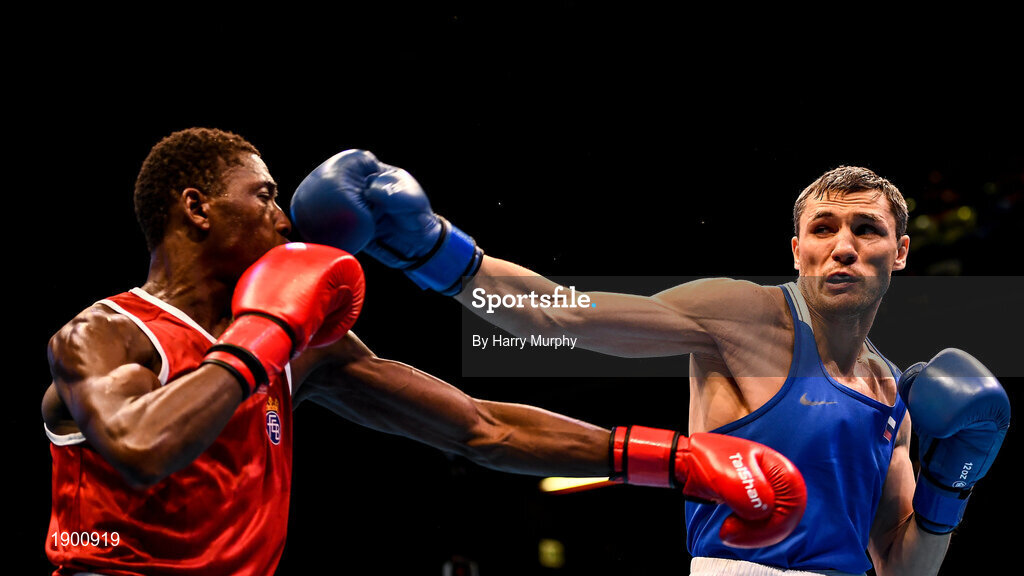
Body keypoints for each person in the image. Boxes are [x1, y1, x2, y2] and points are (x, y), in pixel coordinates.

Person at [42, 127, 808, 576]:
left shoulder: (300, 348)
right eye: (265, 194)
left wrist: (668, 459)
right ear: (197, 208)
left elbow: (480, 428)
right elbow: (143, 446)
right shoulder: (105, 334)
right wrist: (266, 333)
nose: (284, 219)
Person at [292, 155, 1011, 575]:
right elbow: (553, 314)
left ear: (902, 252)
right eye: (822, 229)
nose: (843, 246)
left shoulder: (892, 391)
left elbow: (900, 563)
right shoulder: (744, 317)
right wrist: (432, 249)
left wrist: (955, 483)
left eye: (867, 229)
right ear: (796, 251)